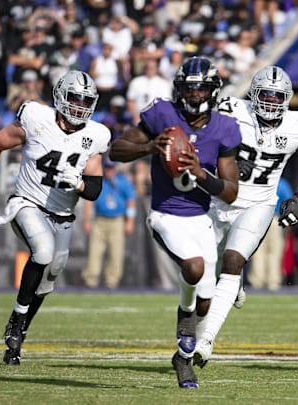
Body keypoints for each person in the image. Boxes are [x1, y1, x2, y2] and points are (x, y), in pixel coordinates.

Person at [109, 56, 241, 389]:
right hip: (166, 213)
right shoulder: (162, 115)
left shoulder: (225, 128)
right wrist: (150, 146)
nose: (194, 95)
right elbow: (116, 149)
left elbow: (230, 192)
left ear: (212, 91)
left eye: (200, 89)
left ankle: (182, 359)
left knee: (207, 300)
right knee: (193, 268)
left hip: (201, 217)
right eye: (188, 88)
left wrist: (201, 174)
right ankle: (184, 320)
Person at [0, 70, 109, 366]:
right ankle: (17, 319)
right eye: (74, 98)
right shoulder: (37, 118)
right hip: (27, 203)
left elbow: (95, 189)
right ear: (60, 96)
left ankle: (17, 338)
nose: (79, 106)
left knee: (47, 282)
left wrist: (80, 184)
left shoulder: (95, 135)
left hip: (62, 215)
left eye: (86, 101)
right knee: (43, 251)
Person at [195, 65, 298, 368]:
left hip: (259, 204)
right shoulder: (231, 110)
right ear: (253, 95)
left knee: (232, 261)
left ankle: (206, 339)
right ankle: (230, 287)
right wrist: (225, 163)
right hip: (218, 200)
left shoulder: (297, 125)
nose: (271, 102)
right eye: (266, 95)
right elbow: (202, 143)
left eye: (278, 97)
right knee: (201, 271)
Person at [81, 157, 137, 289]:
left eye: (111, 168)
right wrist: (86, 220)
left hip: (117, 220)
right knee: (94, 252)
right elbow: (89, 201)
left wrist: (130, 221)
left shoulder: (123, 181)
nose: (109, 170)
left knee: (115, 253)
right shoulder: (99, 180)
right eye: (107, 167)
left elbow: (131, 201)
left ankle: (111, 282)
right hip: (100, 220)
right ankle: (91, 280)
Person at [248, 177, 293, 290]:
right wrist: (287, 231)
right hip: (275, 219)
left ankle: (257, 282)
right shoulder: (283, 184)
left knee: (258, 252)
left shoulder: (259, 181)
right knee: (275, 253)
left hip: (258, 219)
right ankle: (273, 282)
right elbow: (289, 206)